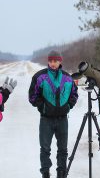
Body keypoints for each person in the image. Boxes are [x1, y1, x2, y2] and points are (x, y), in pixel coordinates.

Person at [28, 50, 78, 178]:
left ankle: (61, 173)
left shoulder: (67, 78)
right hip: (46, 119)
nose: (53, 63)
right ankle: (45, 173)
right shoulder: (40, 76)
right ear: (48, 62)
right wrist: (43, 107)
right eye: (50, 61)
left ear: (60, 61)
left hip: (62, 120)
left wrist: (68, 106)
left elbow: (74, 94)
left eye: (55, 61)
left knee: (63, 149)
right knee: (45, 149)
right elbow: (33, 96)